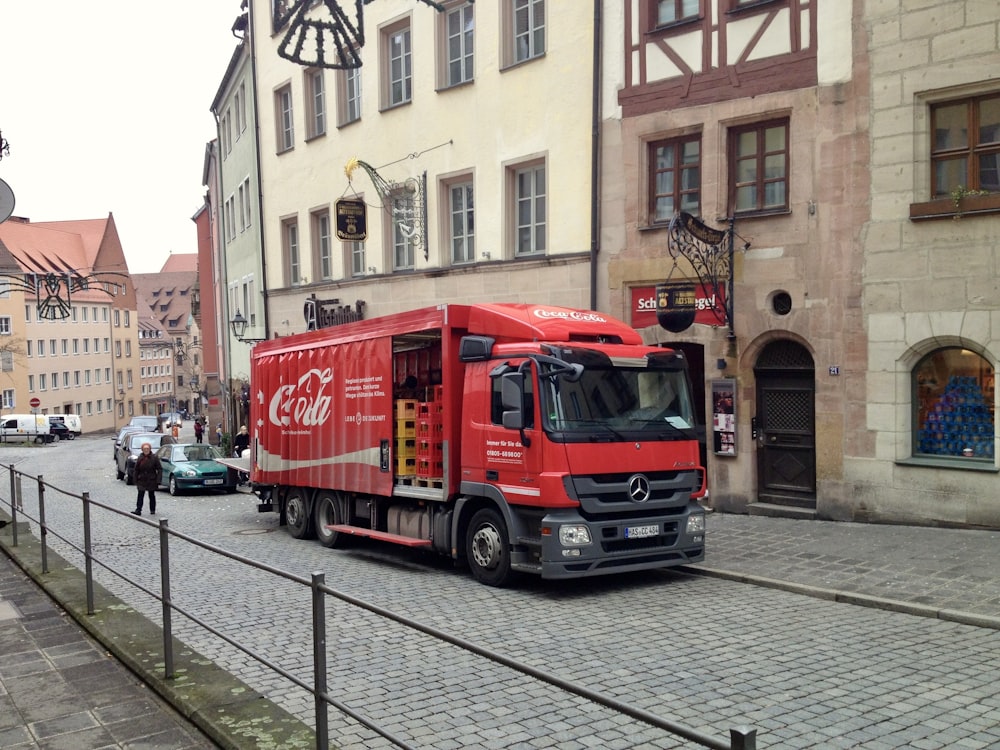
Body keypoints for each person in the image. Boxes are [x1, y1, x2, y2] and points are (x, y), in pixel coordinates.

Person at [132, 442, 162, 516]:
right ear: (142, 449)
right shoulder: (140, 458)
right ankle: (138, 509)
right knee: (140, 494)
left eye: (147, 448)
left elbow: (159, 469)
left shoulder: (154, 457)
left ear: (150, 449)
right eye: (145, 449)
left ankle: (152, 509)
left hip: (151, 479)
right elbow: (136, 469)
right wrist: (135, 479)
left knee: (151, 495)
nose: (146, 450)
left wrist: (158, 480)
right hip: (141, 479)